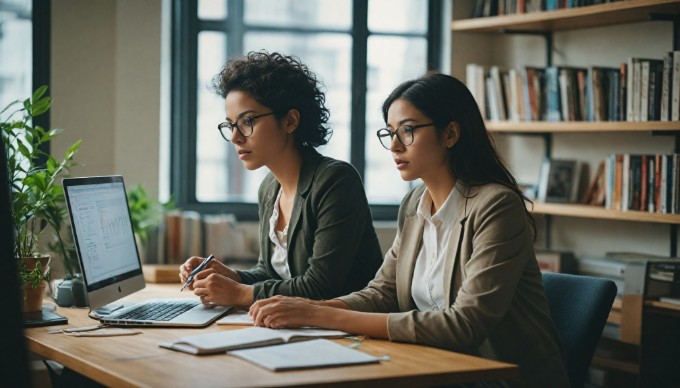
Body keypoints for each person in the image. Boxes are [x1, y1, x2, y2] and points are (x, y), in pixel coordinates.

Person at [249, 73, 570, 387]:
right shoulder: (415, 203)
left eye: (408, 130)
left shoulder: (497, 206)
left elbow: (464, 325)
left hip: (499, 376)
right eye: (389, 132)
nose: (394, 146)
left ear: (451, 134)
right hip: (433, 364)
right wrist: (309, 308)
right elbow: (382, 292)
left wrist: (321, 316)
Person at [179, 51, 383, 307]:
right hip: (299, 326)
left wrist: (239, 293)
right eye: (230, 124)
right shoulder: (269, 188)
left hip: (353, 331)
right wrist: (229, 276)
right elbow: (271, 273)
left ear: (290, 121)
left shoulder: (336, 181)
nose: (235, 137)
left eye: (247, 121)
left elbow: (320, 286)